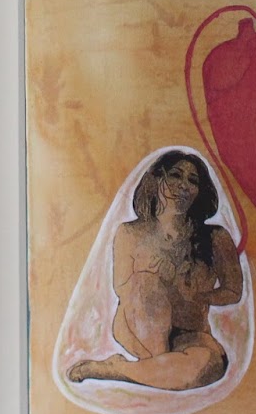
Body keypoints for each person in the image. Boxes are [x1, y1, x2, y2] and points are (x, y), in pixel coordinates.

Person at [67, 150, 243, 390]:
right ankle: (162, 364)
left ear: (200, 191)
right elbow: (122, 289)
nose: (184, 186)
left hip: (190, 333)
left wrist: (197, 295)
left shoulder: (216, 237)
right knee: (145, 282)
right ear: (157, 179)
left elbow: (233, 291)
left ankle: (117, 369)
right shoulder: (130, 232)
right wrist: (156, 278)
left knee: (213, 364)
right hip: (138, 329)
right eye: (175, 175)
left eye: (193, 181)